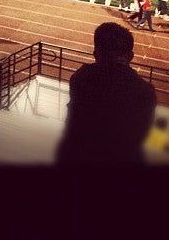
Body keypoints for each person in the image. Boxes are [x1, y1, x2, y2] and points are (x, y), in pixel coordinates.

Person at [56, 22, 156, 164]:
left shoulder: (81, 77)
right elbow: (140, 134)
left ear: (95, 54)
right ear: (130, 56)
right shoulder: (145, 91)